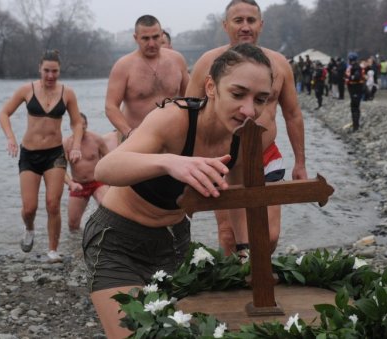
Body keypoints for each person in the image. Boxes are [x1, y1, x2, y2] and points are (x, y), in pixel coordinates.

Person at [83, 43, 273, 338]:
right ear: (211, 87)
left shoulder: (245, 136)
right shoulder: (175, 118)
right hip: (117, 242)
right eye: (238, 94)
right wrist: (170, 162)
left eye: (260, 99)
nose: (249, 110)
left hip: (175, 246)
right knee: (136, 334)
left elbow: (237, 195)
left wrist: (245, 251)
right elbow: (106, 169)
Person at [186, 0, 307, 256]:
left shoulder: (279, 63)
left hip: (265, 156)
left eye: (251, 20)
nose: (245, 27)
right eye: (238, 21)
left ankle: (258, 280)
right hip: (224, 159)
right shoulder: (208, 63)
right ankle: (236, 289)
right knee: (230, 236)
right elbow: (189, 117)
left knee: (269, 234)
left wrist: (300, 162)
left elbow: (293, 115)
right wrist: (190, 166)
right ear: (225, 25)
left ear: (260, 25)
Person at [0, 49, 84, 263]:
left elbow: (77, 122)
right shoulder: (27, 90)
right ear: (40, 69)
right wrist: (10, 137)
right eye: (46, 71)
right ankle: (29, 228)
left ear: (59, 70)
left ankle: (53, 250)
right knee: (29, 208)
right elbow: (4, 113)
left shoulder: (67, 93)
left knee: (53, 204)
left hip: (54, 155)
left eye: (55, 71)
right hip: (29, 155)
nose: (50, 76)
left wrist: (76, 145)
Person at [104, 15, 189, 144]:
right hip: (136, 137)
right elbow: (111, 106)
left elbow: (191, 97)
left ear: (161, 35)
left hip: (172, 135)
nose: (151, 44)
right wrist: (128, 131)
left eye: (155, 37)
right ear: (136, 38)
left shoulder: (177, 60)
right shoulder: (123, 66)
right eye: (145, 38)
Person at [63, 113, 109, 232]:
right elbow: (60, 169)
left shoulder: (96, 139)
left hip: (97, 182)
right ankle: (77, 247)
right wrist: (70, 184)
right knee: (72, 225)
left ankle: (106, 234)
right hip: (78, 185)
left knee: (109, 210)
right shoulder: (67, 144)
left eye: (83, 125)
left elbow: (109, 159)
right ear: (71, 126)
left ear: (87, 125)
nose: (81, 128)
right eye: (78, 125)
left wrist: (109, 180)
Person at [345, 52, 365, 132]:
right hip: (353, 88)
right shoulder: (352, 67)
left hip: (356, 88)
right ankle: (355, 124)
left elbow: (356, 77)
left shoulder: (356, 67)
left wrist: (349, 78)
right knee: (353, 107)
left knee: (355, 107)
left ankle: (356, 126)